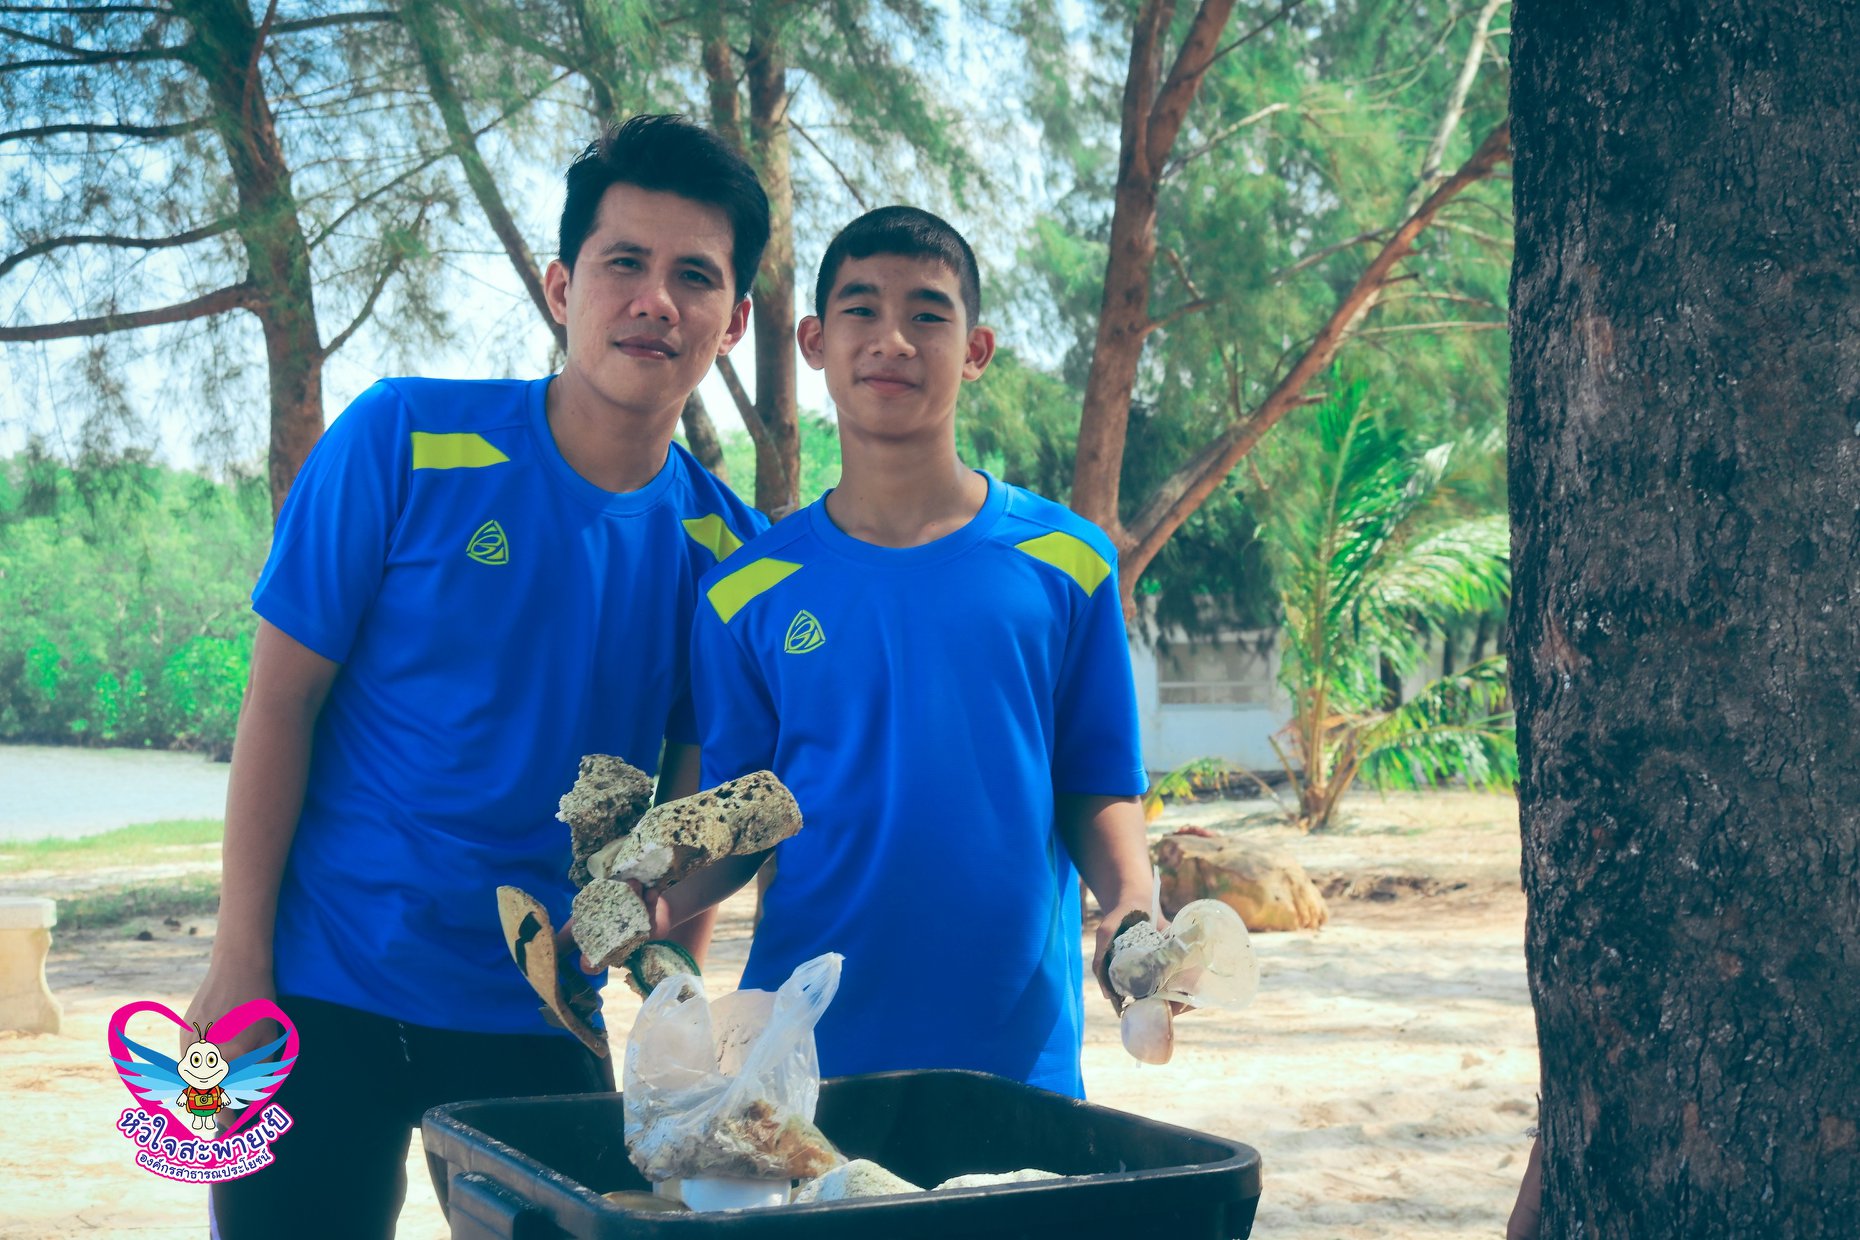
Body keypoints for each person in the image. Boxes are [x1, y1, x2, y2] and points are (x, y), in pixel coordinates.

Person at [185, 114, 770, 1239]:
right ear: (562, 287)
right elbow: (280, 700)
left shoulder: (729, 554)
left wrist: (673, 1003)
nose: (656, 300)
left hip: (539, 1012)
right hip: (322, 986)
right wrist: (238, 957)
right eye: (624, 263)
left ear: (733, 320)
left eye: (695, 276)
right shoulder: (404, 440)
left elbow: (698, 800)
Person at [664, 206, 1154, 1098]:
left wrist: (1133, 906)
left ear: (976, 350)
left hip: (1016, 1053)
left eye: (928, 314)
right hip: (805, 1058)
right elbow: (739, 824)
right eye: (861, 309)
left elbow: (1097, 783)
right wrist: (643, 904)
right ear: (815, 341)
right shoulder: (744, 592)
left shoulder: (1068, 562)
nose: (892, 339)